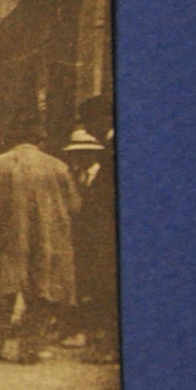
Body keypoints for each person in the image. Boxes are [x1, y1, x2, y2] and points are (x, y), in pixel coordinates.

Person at [0, 124, 81, 364]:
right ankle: (30, 348)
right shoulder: (59, 167)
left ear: (11, 139)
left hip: (8, 238)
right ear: (40, 140)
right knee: (40, 293)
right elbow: (75, 205)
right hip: (48, 240)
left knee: (3, 292)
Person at [62, 128, 118, 363]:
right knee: (81, 284)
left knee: (100, 287)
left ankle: (100, 339)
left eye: (83, 153)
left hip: (101, 242)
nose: (78, 158)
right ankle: (83, 333)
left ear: (92, 154)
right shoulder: (74, 176)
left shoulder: (106, 178)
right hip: (79, 241)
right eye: (75, 154)